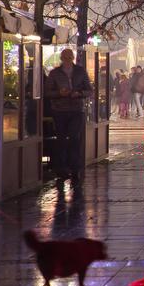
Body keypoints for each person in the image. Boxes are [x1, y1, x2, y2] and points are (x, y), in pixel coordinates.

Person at [45, 48, 92, 184]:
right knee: (61, 139)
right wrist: (60, 93)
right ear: (62, 58)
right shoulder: (55, 73)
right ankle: (62, 169)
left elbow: (89, 90)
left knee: (75, 138)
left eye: (69, 57)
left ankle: (75, 168)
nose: (67, 60)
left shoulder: (80, 71)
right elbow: (48, 91)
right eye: (65, 57)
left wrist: (79, 93)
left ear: (72, 58)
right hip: (60, 110)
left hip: (76, 109)